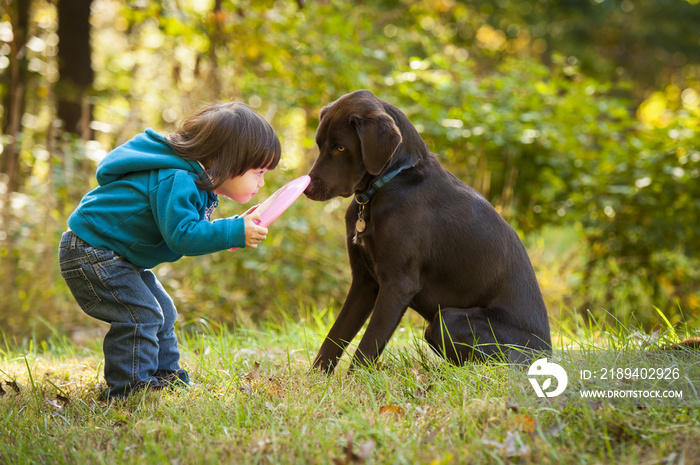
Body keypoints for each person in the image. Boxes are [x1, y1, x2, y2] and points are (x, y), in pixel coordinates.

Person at [58, 101, 281, 399]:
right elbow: (182, 235)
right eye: (258, 171)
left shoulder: (190, 179)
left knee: (163, 310)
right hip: (91, 252)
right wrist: (232, 233)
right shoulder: (176, 178)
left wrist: (231, 230)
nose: (261, 182)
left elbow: (191, 227)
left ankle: (165, 377)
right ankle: (130, 390)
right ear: (228, 159)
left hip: (113, 255)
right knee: (141, 314)